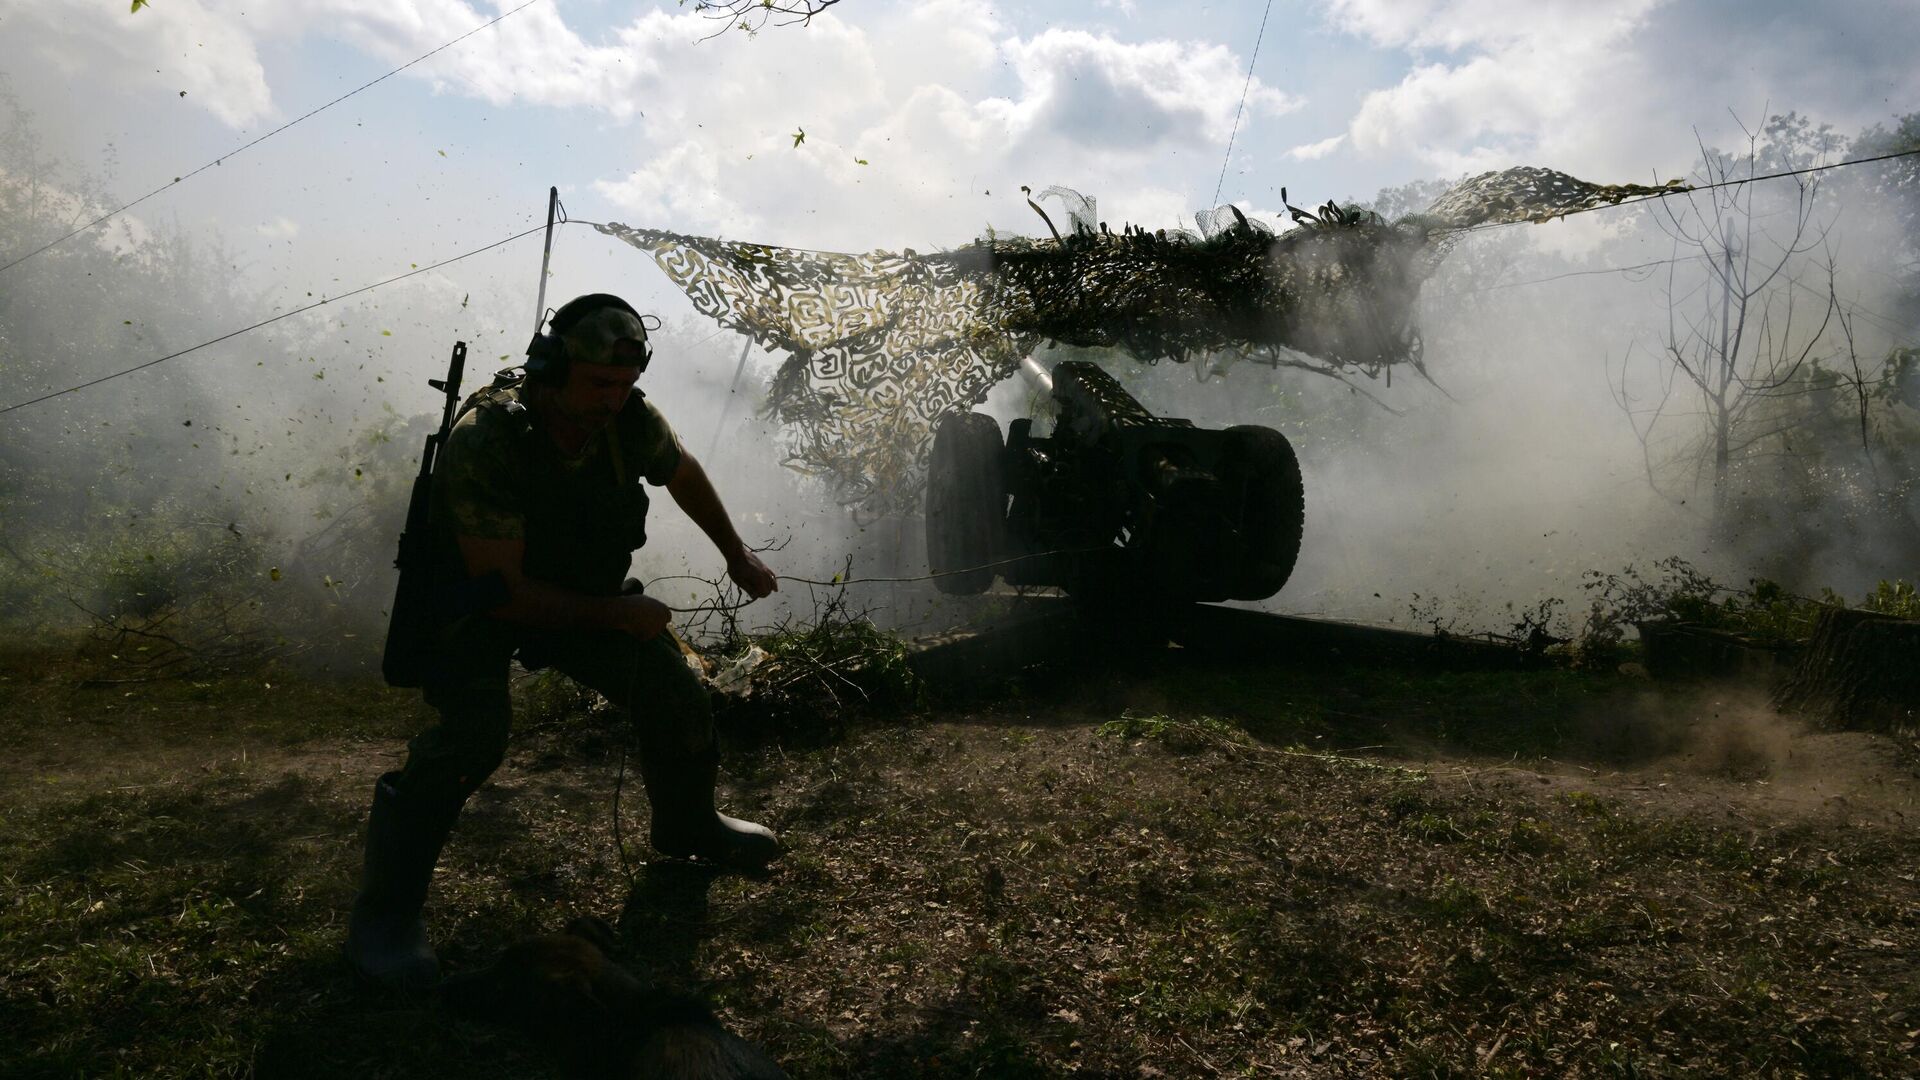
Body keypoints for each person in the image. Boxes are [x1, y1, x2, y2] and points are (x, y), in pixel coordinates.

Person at [346, 293, 781, 990]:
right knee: (471, 740)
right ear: (552, 369)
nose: (614, 400)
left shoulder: (624, 418)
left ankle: (687, 826)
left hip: (576, 593)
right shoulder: (488, 439)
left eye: (625, 385)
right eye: (598, 384)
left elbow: (681, 469)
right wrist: (613, 616)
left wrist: (734, 551)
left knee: (672, 688)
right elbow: (506, 592)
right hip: (477, 607)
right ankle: (385, 916)